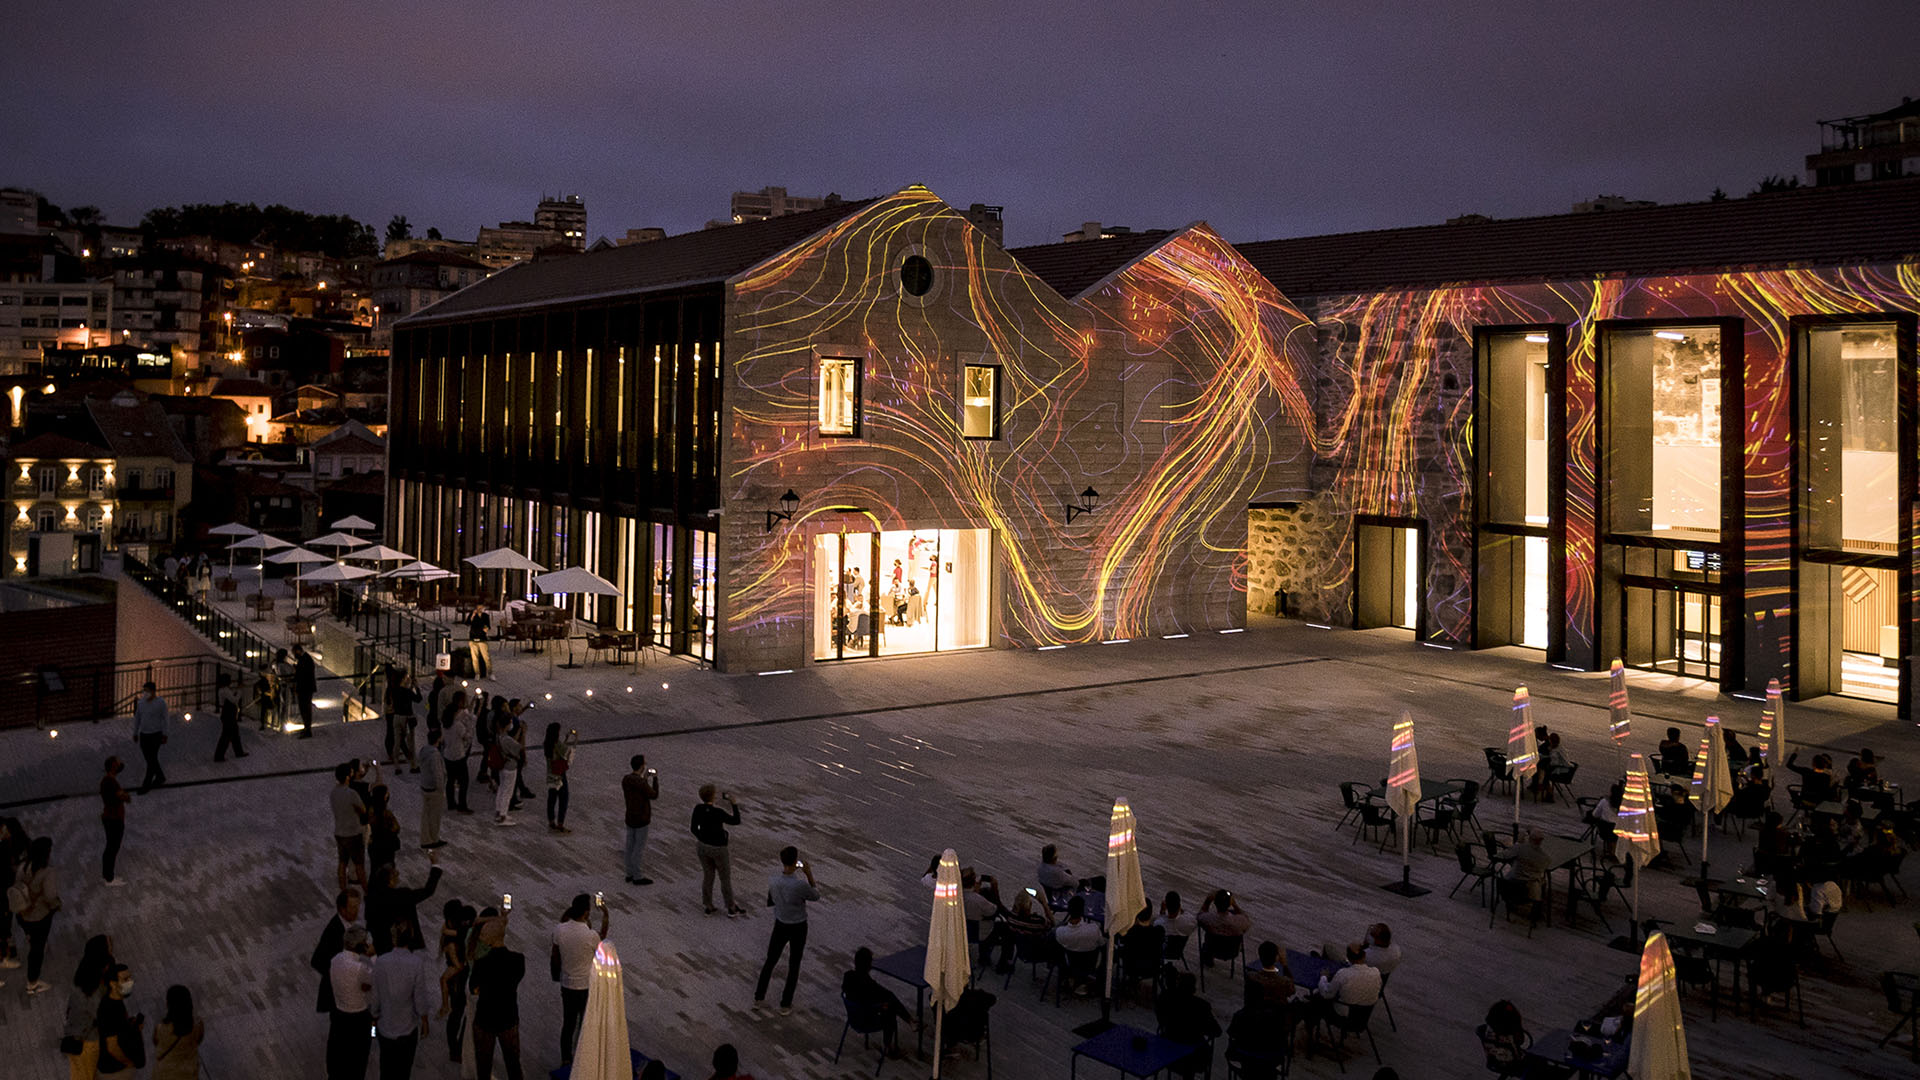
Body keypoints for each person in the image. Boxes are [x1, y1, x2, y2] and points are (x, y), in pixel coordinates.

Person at [755, 846, 819, 1013]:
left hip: (780, 923)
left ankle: (759, 997)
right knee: (794, 963)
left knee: (770, 960)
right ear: (795, 860)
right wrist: (808, 873)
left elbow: (771, 900)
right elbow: (815, 895)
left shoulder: (773, 881)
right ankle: (785, 1003)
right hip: (798, 925)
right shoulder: (800, 885)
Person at [550, 892, 609, 1066]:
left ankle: (565, 1058)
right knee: (585, 1022)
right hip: (585, 986)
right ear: (586, 913)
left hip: (567, 984)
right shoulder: (590, 935)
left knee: (568, 1023)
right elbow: (602, 939)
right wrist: (605, 915)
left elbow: (555, 953)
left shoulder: (559, 930)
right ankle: (584, 1056)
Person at [371, 917, 433, 1078]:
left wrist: (374, 1018)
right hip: (407, 1029)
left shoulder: (381, 962)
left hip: (385, 1027)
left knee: (386, 1069)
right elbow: (419, 998)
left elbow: (375, 996)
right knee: (404, 1071)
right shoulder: (416, 963)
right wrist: (424, 1019)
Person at [469, 915, 525, 1080]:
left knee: (484, 1065)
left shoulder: (481, 963)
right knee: (513, 1063)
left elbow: (473, 989)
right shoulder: (518, 960)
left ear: (489, 939)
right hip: (509, 1017)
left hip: (485, 1019)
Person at [841, 947, 915, 1056]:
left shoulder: (848, 976)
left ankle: (910, 1021)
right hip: (865, 1020)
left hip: (853, 1017)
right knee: (891, 1011)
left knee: (889, 999)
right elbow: (875, 999)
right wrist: (882, 1006)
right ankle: (889, 1047)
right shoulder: (867, 984)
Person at [367, 852, 444, 955]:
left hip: (383, 944)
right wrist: (435, 865)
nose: (398, 874)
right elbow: (428, 890)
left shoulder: (372, 897)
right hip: (405, 943)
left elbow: (370, 922)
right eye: (395, 874)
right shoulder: (403, 895)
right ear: (390, 881)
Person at [62, 935, 115, 1077]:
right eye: (109, 947)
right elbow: (101, 1016)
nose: (112, 948)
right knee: (84, 1074)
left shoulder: (84, 972)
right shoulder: (93, 992)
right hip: (86, 1043)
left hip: (76, 1037)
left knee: (82, 1073)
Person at [328, 926, 376, 1080]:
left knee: (338, 1056)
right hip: (359, 1019)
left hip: (338, 1015)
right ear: (361, 945)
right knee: (359, 1060)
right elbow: (373, 980)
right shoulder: (360, 968)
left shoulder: (335, 961)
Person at [692, 784, 745, 917]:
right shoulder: (718, 813)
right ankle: (731, 907)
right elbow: (735, 820)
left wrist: (702, 837)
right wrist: (734, 804)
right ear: (712, 796)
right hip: (719, 848)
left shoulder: (698, 809)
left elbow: (693, 828)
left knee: (708, 875)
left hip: (702, 847)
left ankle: (708, 905)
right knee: (725, 878)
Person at [1154, 972, 1220, 1078]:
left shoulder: (1165, 999)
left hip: (1166, 1051)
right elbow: (1216, 1031)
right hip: (1192, 1058)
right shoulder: (1201, 1006)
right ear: (1193, 987)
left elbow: (1160, 1018)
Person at [15, 836, 57, 994]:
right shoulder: (47, 872)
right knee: (37, 950)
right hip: (39, 916)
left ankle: (29, 936)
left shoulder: (22, 866)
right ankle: (32, 983)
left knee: (32, 936)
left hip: (22, 914)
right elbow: (51, 896)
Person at [1227, 981, 1290, 1080]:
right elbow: (1283, 1041)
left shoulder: (1240, 1016)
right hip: (1270, 1062)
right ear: (1262, 997)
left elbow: (1231, 1034)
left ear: (1246, 996)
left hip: (1246, 1061)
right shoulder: (1275, 1018)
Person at [313, 888, 362, 1014]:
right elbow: (317, 960)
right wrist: (337, 976)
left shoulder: (348, 925)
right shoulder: (334, 931)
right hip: (338, 995)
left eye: (357, 906)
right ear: (342, 909)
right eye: (352, 907)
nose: (356, 911)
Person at [436, 901, 473, 1065]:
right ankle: (455, 1049)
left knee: (458, 1013)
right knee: (457, 1014)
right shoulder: (453, 940)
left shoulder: (454, 931)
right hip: (457, 979)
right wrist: (464, 965)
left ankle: (457, 1047)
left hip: (458, 978)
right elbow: (457, 964)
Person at [1313, 942, 1382, 1029]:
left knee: (1317, 997)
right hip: (1362, 1018)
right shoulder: (1376, 972)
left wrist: (1323, 977)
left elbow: (1326, 994)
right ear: (1364, 956)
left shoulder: (1343, 975)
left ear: (1349, 957)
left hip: (1343, 1018)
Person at [95, 963, 144, 1075]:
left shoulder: (113, 1002)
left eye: (130, 977)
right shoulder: (111, 1010)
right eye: (125, 979)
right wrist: (128, 1063)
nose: (130, 982)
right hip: (114, 1067)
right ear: (113, 984)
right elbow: (112, 1045)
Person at [1053, 895, 1104, 993]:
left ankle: (1068, 978)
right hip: (1091, 964)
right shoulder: (1093, 929)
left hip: (1070, 964)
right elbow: (1101, 943)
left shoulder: (1061, 932)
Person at [152, 984, 203, 1080]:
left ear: (168, 1005)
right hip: (188, 1073)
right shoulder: (197, 1025)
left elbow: (156, 1042)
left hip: (165, 1073)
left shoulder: (161, 1028)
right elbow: (199, 1039)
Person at [623, 754, 660, 885]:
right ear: (642, 766)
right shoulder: (641, 783)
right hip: (642, 819)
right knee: (638, 848)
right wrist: (655, 779)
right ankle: (637, 876)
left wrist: (644, 778)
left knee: (629, 846)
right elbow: (654, 795)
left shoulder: (626, 779)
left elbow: (638, 785)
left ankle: (629, 873)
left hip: (630, 817)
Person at [332, 762, 369, 891]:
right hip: (353, 833)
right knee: (359, 864)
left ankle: (343, 889)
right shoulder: (351, 793)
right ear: (348, 776)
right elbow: (363, 809)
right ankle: (366, 890)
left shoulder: (334, 792)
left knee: (342, 863)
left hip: (339, 832)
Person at [131, 681, 169, 793]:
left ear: (153, 691)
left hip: (155, 735)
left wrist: (165, 734)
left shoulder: (160, 703)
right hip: (144, 735)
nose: (145, 693)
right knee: (150, 759)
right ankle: (160, 776)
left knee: (151, 759)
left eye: (147, 691)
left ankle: (146, 785)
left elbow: (166, 719)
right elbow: (137, 718)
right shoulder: (141, 703)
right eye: (144, 691)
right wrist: (135, 732)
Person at [1197, 889, 1251, 967]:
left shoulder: (1208, 919)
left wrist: (1207, 901)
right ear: (1229, 904)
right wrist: (1235, 905)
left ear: (1215, 903)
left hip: (1211, 950)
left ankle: (1208, 960)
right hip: (1232, 951)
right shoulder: (1239, 921)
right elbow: (1246, 919)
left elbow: (1199, 916)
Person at [100, 756, 130, 887]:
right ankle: (109, 877)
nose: (120, 765)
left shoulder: (108, 781)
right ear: (113, 766)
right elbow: (125, 797)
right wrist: (124, 795)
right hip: (114, 818)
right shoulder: (110, 782)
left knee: (111, 847)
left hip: (111, 817)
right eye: (117, 763)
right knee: (112, 847)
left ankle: (108, 875)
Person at [1476, 999, 1528, 1075]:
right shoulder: (1509, 1036)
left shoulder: (1488, 1031)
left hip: (1496, 1062)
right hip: (1514, 1063)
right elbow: (1521, 1041)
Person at [385, 666, 420, 771]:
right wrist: (416, 687)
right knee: (410, 742)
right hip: (407, 718)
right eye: (407, 676)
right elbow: (418, 699)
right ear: (403, 679)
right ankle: (413, 765)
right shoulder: (407, 692)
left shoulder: (394, 690)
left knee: (397, 741)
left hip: (396, 717)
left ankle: (397, 766)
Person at [1505, 828, 1553, 904]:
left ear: (1529, 838)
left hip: (1512, 883)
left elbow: (1507, 855)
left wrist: (1518, 842)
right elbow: (1544, 868)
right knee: (1542, 880)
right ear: (1541, 841)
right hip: (1530, 889)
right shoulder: (1545, 858)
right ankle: (1537, 906)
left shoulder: (1519, 848)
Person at [543, 723, 576, 833]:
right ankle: (560, 823)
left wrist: (565, 739)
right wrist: (576, 739)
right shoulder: (557, 744)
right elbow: (567, 753)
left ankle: (551, 821)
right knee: (564, 798)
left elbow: (559, 751)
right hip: (560, 774)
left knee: (552, 798)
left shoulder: (547, 743)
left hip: (551, 773)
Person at [419, 724, 447, 849]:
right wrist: (441, 789)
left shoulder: (424, 750)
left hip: (424, 785)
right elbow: (438, 774)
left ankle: (425, 838)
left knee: (426, 815)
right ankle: (432, 839)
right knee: (434, 816)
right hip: (434, 789)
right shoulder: (435, 754)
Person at [444, 693, 474, 814]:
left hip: (447, 754)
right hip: (459, 755)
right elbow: (467, 737)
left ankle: (451, 802)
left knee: (450, 780)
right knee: (464, 781)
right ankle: (462, 805)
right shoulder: (458, 726)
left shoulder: (445, 724)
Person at [493, 716, 525, 826]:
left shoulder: (499, 736)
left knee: (502, 788)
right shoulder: (506, 739)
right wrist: (523, 733)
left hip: (502, 766)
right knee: (508, 791)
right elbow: (518, 747)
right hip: (510, 766)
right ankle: (503, 815)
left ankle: (499, 812)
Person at [1243, 941, 1294, 1005]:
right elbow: (1292, 989)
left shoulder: (1250, 977)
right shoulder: (1283, 983)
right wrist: (1284, 965)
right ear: (1276, 958)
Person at [367, 784, 402, 875]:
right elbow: (396, 828)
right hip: (386, 846)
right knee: (387, 870)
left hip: (373, 845)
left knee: (374, 868)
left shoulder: (370, 811)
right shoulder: (386, 814)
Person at [213, 672, 247, 762]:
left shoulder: (223, 690)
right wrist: (240, 690)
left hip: (227, 714)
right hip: (228, 715)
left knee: (234, 734)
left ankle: (238, 752)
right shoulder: (225, 690)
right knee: (226, 736)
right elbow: (234, 699)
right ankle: (219, 756)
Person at [294, 643, 319, 737]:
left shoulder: (304, 659)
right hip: (306, 688)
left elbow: (303, 674)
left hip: (305, 688)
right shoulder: (305, 659)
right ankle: (306, 728)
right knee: (305, 709)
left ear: (298, 651)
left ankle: (307, 729)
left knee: (305, 709)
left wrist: (296, 671)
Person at [467, 604, 493, 679]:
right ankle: (477, 673)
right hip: (473, 637)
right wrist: (472, 616)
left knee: (486, 657)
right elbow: (467, 623)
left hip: (482, 637)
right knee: (474, 657)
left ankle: (490, 672)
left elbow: (488, 625)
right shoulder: (472, 615)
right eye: (478, 607)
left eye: (481, 608)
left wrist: (486, 629)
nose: (480, 609)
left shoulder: (485, 616)